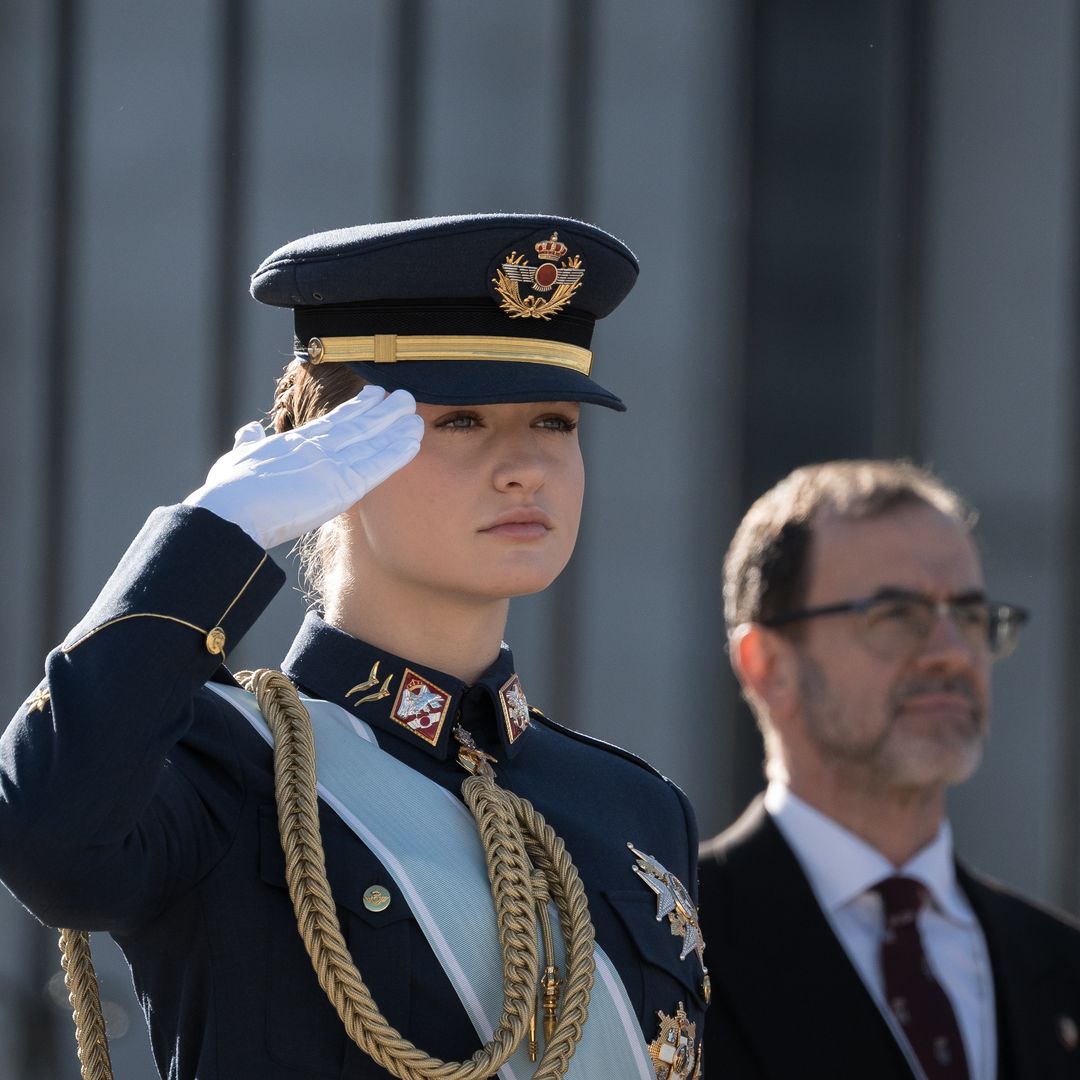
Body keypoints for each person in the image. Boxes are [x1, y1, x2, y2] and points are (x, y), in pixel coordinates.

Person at [0, 214, 707, 1080]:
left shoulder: (633, 804)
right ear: (333, 450)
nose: (525, 465)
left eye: (555, 422)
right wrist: (211, 533)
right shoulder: (218, 761)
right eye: (462, 423)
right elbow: (43, 838)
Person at [697, 458, 1080, 1080]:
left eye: (972, 616)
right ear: (768, 663)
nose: (952, 653)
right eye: (897, 616)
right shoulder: (663, 949)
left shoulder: (1059, 965)